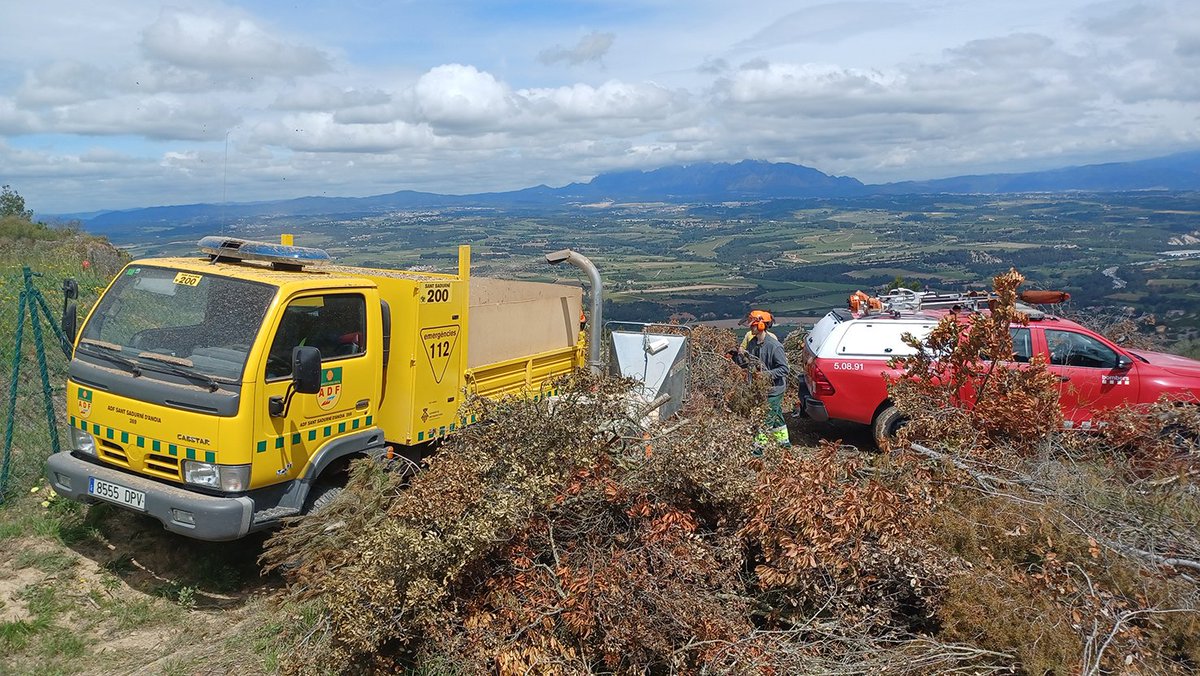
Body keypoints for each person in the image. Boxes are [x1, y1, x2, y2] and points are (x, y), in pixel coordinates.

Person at [738, 309, 791, 448]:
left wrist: (765, 375)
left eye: (753, 324)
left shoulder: (775, 346)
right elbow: (749, 362)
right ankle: (784, 444)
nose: (750, 327)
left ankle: (757, 451)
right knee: (777, 416)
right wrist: (736, 358)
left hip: (774, 389)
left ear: (761, 325)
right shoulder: (752, 343)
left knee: (765, 419)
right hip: (762, 388)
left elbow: (785, 369)